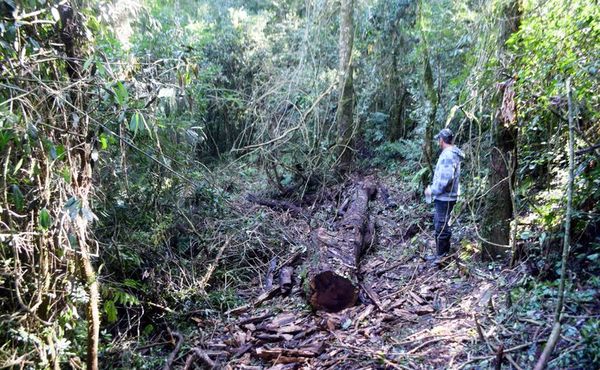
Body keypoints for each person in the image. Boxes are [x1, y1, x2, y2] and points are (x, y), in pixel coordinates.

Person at [424, 128, 465, 262]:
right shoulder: (449, 153)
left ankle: (442, 257)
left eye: (438, 139)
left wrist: (432, 190)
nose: (438, 142)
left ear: (442, 140)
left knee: (441, 226)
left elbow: (446, 178)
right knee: (440, 224)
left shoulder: (448, 155)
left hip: (445, 197)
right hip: (445, 196)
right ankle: (440, 255)